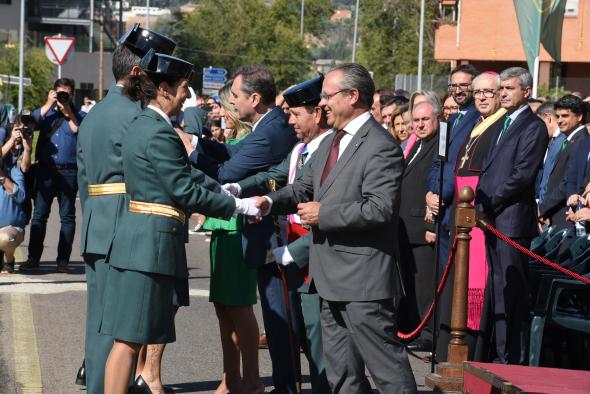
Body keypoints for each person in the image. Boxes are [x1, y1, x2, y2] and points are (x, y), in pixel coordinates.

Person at [100, 50, 260, 394]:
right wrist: (239, 209)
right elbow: (183, 189)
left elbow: (187, 174)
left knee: (132, 336)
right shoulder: (157, 130)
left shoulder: (151, 125)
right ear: (164, 89)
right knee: (129, 340)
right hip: (147, 246)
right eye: (184, 87)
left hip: (148, 242)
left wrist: (233, 196)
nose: (188, 96)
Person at [255, 63, 417, 393]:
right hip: (328, 280)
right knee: (341, 374)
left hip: (363, 282)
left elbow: (380, 208)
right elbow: (303, 187)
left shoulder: (380, 145)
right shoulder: (332, 141)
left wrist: (323, 213)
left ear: (352, 96)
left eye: (328, 96)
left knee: (387, 372)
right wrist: (268, 202)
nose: (323, 103)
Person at [76, 24, 177, 394]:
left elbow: (84, 181)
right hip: (125, 225)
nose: (158, 85)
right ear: (138, 73)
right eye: (153, 75)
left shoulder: (95, 114)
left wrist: (95, 221)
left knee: (99, 322)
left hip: (97, 224)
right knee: (118, 326)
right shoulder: (137, 116)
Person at [186, 64, 299, 394]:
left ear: (254, 97)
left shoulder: (272, 127)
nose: (230, 103)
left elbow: (227, 171)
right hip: (256, 226)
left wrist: (191, 148)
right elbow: (231, 153)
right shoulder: (266, 124)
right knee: (268, 316)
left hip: (271, 229)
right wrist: (195, 143)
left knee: (280, 318)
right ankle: (265, 382)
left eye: (234, 96)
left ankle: (262, 382)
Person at [229, 76, 333, 394]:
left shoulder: (330, 150)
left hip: (316, 248)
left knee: (315, 333)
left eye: (295, 114)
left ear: (316, 114)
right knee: (287, 323)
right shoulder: (300, 148)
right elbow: (275, 176)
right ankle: (289, 386)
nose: (288, 120)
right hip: (289, 242)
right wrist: (238, 188)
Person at [476, 66, 548, 365]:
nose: (502, 93)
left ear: (526, 91)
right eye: (501, 88)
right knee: (498, 288)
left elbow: (521, 176)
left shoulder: (533, 126)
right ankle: (501, 353)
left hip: (511, 221)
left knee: (512, 292)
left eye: (509, 88)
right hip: (493, 217)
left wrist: (489, 200)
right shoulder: (504, 122)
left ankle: (513, 360)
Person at [436, 72, 507, 362]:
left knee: (475, 284)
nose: (481, 97)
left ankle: (471, 352)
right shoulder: (474, 125)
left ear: (500, 93)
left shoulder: (501, 126)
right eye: (477, 92)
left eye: (487, 92)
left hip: (480, 218)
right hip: (460, 217)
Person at [199, 81, 263, 394]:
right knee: (223, 307)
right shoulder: (230, 137)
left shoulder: (250, 139)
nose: (222, 113)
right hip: (221, 226)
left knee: (239, 305)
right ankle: (230, 375)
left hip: (240, 227)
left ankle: (251, 378)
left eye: (225, 106)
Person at [19, 78, 85, 273]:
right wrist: (49, 103)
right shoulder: (46, 115)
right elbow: (30, 122)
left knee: (67, 217)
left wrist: (67, 112)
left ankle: (63, 261)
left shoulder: (78, 115)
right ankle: (33, 258)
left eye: (67, 93)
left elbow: (76, 128)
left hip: (69, 170)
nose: (63, 96)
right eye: (60, 93)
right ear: (54, 92)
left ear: (72, 94)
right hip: (45, 169)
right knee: (40, 216)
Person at [425, 64, 480, 269]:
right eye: (453, 85)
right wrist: (430, 193)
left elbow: (458, 165)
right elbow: (438, 162)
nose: (458, 90)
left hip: (455, 205)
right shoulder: (451, 120)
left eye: (464, 85)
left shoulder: (478, 120)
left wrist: (441, 195)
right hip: (440, 209)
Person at [397, 100, 439, 352]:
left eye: (425, 119)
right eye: (417, 120)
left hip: (422, 226)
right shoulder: (414, 144)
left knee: (424, 285)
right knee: (409, 284)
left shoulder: (438, 147)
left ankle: (427, 330)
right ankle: (411, 325)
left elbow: (435, 186)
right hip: (405, 227)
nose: (419, 124)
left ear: (436, 118)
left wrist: (432, 225)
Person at [539, 94, 588, 230]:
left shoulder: (582, 142)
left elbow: (568, 181)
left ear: (579, 117)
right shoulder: (569, 140)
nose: (559, 120)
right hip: (556, 214)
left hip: (567, 215)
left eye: (565, 116)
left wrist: (542, 208)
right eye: (558, 116)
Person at [0, 156, 27, 275]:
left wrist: (3, 177)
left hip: (12, 229)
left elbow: (21, 197)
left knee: (5, 239)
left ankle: (9, 261)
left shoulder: (13, 172)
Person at [535, 101, 564, 205]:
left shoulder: (562, 142)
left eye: (539, 122)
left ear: (548, 118)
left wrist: (543, 207)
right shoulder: (551, 141)